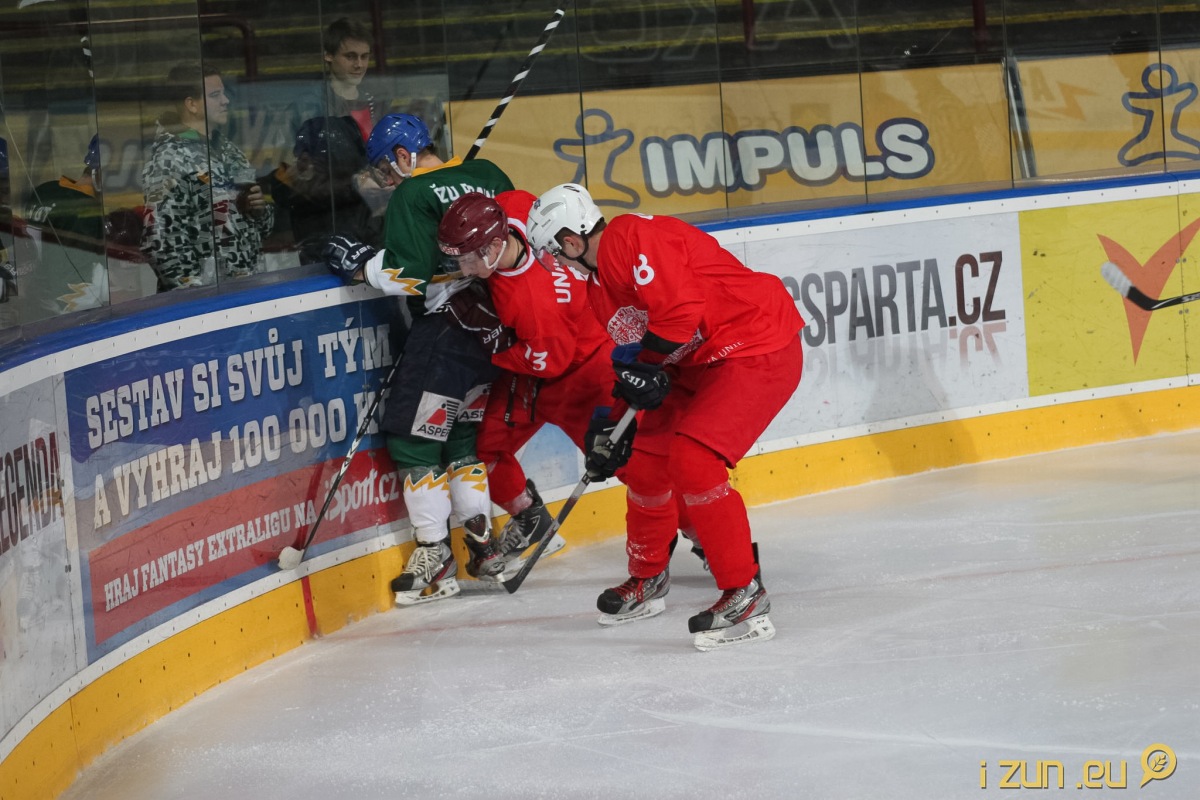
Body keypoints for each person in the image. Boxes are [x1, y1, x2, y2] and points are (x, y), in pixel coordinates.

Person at [526, 182, 805, 650]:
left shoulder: (631, 238)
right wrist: (611, 424)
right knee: (643, 460)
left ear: (571, 241)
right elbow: (638, 358)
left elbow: (679, 314)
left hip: (755, 343)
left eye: (555, 252)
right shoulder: (598, 288)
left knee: (695, 461)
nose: (557, 262)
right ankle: (648, 576)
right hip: (697, 363)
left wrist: (646, 369)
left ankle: (744, 592)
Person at [434, 190, 707, 582]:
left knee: (636, 468)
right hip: (537, 366)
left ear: (494, 247)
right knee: (486, 446)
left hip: (584, 378)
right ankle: (530, 518)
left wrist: (494, 346)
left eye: (469, 258)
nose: (463, 268)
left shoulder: (532, 301)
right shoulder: (515, 208)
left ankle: (704, 538)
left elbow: (550, 362)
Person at [317, 113, 515, 605]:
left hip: (445, 334)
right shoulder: (489, 174)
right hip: (493, 329)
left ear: (404, 156)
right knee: (460, 437)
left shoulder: (412, 194)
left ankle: (434, 554)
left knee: (414, 440)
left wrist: (361, 266)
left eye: (387, 168)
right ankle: (483, 545)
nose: (387, 180)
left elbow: (409, 276)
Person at [141, 63, 274, 291]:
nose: (226, 101)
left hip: (245, 289)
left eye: (223, 93)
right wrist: (196, 293)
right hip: (208, 300)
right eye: (215, 95)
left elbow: (258, 227)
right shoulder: (169, 159)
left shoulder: (228, 149)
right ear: (191, 104)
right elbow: (159, 241)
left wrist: (260, 211)